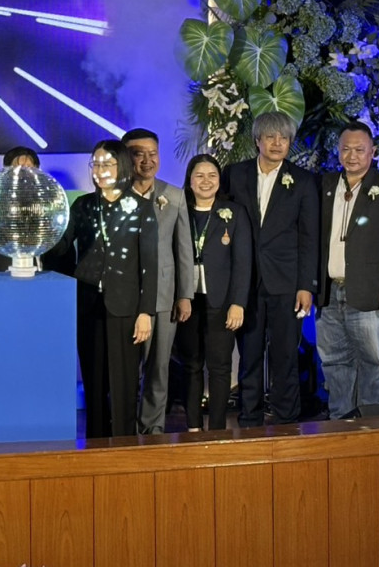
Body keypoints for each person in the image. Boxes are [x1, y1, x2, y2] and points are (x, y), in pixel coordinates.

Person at [224, 111, 319, 427]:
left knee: (285, 357)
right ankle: (249, 419)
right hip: (247, 283)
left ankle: (286, 420)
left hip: (287, 284)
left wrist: (306, 286)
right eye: (270, 137)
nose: (277, 143)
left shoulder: (303, 181)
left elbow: (309, 238)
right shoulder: (235, 175)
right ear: (257, 141)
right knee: (249, 356)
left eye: (284, 138)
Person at [315, 122, 379, 419]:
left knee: (374, 363)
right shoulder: (325, 185)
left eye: (359, 149)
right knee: (334, 363)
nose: (352, 155)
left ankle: (373, 427)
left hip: (371, 292)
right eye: (346, 149)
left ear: (373, 151)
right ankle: (340, 424)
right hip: (329, 292)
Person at [65, 139, 158, 438]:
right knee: (93, 383)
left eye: (107, 163)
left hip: (126, 308)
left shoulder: (141, 208)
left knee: (123, 384)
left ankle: (123, 446)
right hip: (88, 305)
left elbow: (150, 264)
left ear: (123, 166)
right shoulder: (82, 206)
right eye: (95, 163)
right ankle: (95, 445)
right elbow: (62, 250)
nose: (99, 170)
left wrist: (146, 312)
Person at [122, 127, 194, 434]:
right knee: (124, 368)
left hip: (163, 296)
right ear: (125, 158)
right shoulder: (114, 195)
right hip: (122, 297)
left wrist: (185, 295)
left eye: (153, 154)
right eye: (138, 154)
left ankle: (152, 428)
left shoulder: (173, 195)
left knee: (158, 367)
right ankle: (123, 426)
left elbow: (183, 249)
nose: (147, 161)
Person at [174, 154, 249, 431]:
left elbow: (243, 262)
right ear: (190, 181)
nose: (206, 181)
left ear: (219, 180)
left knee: (219, 367)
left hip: (222, 300)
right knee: (191, 365)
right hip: (186, 300)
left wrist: (238, 303)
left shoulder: (234, 212)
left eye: (212, 175)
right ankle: (193, 426)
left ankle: (217, 428)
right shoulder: (178, 210)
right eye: (199, 176)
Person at [0, 145, 43, 272]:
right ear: (6, 171)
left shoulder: (46, 200)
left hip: (35, 272)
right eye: (17, 168)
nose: (23, 173)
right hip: (0, 272)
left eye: (28, 167)